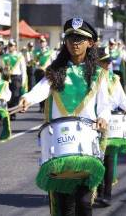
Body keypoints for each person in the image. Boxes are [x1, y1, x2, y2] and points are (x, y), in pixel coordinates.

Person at [19, 18, 110, 216]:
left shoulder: (99, 74)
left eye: (79, 38)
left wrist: (103, 118)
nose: (74, 43)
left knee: (85, 203)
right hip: (60, 145)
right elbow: (40, 90)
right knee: (64, 205)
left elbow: (104, 105)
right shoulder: (55, 71)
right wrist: (27, 98)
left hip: (86, 144)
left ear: (90, 43)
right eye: (70, 38)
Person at [96, 47, 126, 207]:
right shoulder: (91, 78)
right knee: (95, 158)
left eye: (107, 62)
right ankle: (96, 190)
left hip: (111, 121)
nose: (106, 65)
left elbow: (121, 98)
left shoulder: (114, 79)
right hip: (93, 122)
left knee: (109, 158)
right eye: (103, 62)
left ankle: (107, 194)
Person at [1, 40, 27, 120]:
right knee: (7, 95)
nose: (10, 47)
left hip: (16, 78)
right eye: (9, 45)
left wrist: (23, 81)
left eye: (12, 45)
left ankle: (13, 112)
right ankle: (9, 111)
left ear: (15, 47)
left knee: (15, 95)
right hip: (6, 77)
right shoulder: (3, 57)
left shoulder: (20, 56)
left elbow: (23, 69)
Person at [33, 37, 53, 113]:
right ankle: (41, 106)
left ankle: (46, 106)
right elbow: (34, 62)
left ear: (46, 43)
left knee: (47, 89)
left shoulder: (50, 52)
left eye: (43, 42)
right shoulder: (36, 52)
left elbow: (53, 61)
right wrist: (36, 63)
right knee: (39, 89)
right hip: (38, 71)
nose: (42, 43)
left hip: (46, 72)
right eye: (41, 42)